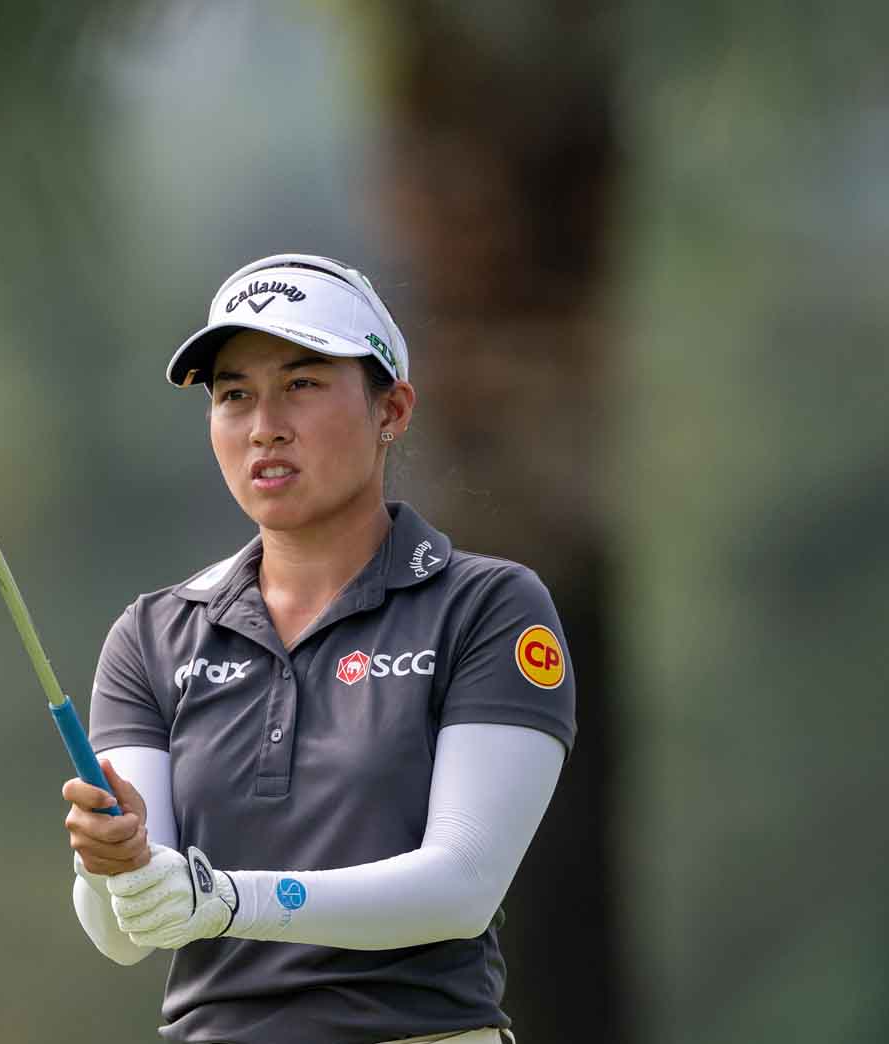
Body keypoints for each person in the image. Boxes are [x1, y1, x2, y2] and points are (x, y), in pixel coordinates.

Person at [61, 253, 575, 1044]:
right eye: (234, 395)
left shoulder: (488, 608)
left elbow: (463, 885)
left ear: (391, 410)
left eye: (301, 384)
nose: (264, 422)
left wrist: (232, 899)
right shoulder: (152, 636)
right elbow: (128, 935)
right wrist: (114, 868)